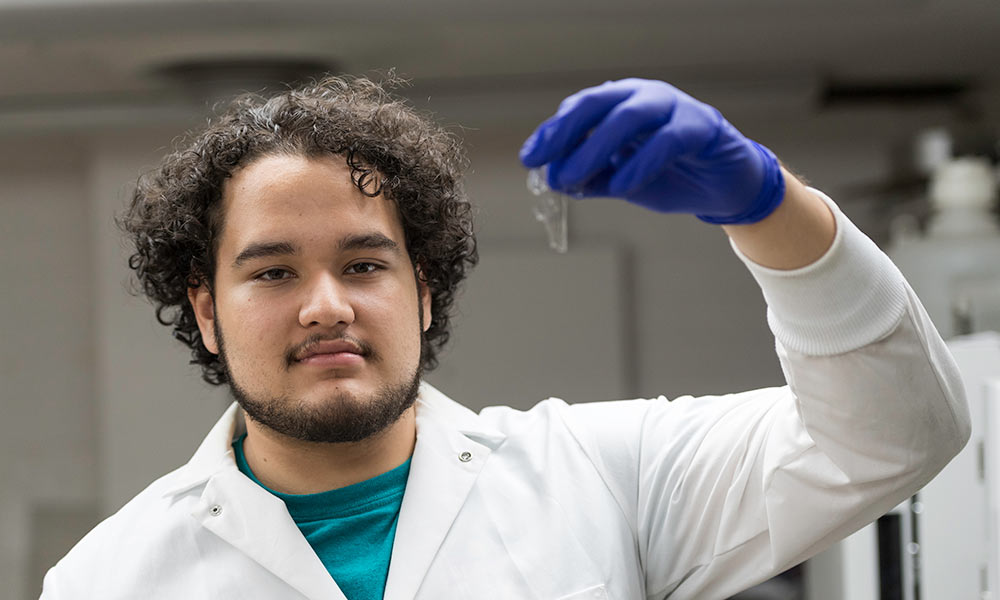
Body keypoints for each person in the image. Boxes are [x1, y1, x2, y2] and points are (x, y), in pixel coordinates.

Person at [41, 75, 969, 600]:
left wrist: (771, 209)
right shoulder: (110, 579)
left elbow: (896, 435)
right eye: (273, 271)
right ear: (205, 308)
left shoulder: (601, 476)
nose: (326, 305)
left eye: (365, 264)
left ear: (426, 291)